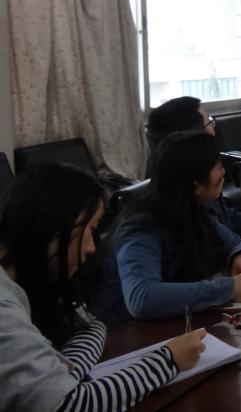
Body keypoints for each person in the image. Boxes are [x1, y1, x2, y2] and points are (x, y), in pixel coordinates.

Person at [0, 163, 207, 411]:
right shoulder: (3, 307)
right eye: (89, 230)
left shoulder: (32, 274)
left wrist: (66, 370)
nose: (91, 248)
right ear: (54, 226)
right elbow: (69, 406)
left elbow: (91, 324)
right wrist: (168, 360)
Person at [95, 132, 241, 327]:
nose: (223, 172)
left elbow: (235, 242)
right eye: (217, 167)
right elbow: (141, 298)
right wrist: (228, 289)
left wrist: (239, 257)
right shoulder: (140, 228)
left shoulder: (192, 210)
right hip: (129, 333)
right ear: (195, 185)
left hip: (178, 323)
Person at [146, 96, 241, 241]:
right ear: (195, 137)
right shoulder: (159, 225)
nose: (214, 128)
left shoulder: (200, 195)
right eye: (210, 123)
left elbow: (227, 220)